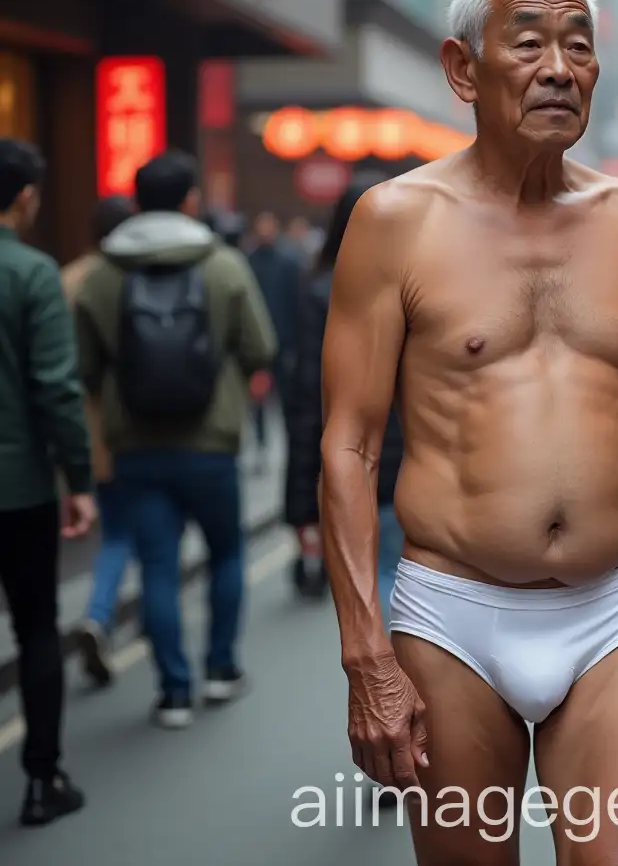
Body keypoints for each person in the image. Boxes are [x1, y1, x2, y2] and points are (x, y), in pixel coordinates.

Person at [320, 0, 618, 866]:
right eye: (529, 43)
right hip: (451, 617)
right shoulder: (396, 220)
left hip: (611, 614)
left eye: (579, 45)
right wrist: (366, 656)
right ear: (462, 69)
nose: (560, 67)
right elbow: (350, 448)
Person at [75, 151, 277, 729]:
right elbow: (260, 347)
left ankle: (173, 692)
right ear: (191, 200)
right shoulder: (224, 265)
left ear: (136, 203)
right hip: (211, 445)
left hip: (135, 446)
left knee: (159, 566)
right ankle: (220, 670)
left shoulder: (104, 274)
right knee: (227, 555)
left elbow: (84, 367)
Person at [0, 138, 96, 825]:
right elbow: (56, 390)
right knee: (35, 629)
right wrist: (80, 479)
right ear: (26, 196)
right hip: (19, 485)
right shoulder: (32, 274)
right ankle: (43, 780)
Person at [285, 182, 404, 601]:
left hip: (349, 465)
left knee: (370, 584)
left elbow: (305, 399)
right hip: (415, 466)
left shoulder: (320, 289)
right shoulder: (424, 286)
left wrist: (301, 500)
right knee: (401, 579)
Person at [64, 196, 136, 686]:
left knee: (115, 528)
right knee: (132, 534)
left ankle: (100, 617)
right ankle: (101, 613)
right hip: (128, 428)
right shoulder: (127, 278)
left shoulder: (66, 278)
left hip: (77, 432)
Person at [248, 211, 301, 470]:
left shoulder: (288, 263)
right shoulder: (248, 262)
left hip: (284, 341)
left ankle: (289, 445)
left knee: (286, 400)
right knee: (256, 400)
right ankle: (260, 446)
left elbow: (295, 303)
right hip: (257, 344)